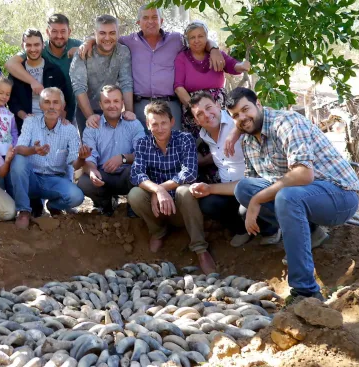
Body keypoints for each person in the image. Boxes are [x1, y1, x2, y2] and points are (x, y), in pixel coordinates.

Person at [226, 87, 359, 300]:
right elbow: (254, 184)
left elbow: (303, 175)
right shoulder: (248, 141)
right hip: (304, 198)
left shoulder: (286, 123)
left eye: (245, 110)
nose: (242, 118)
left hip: (339, 194)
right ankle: (311, 232)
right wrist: (249, 199)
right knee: (244, 189)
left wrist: (257, 200)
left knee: (285, 197)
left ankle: (306, 291)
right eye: (235, 116)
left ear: (258, 104)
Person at [80, 6, 226, 130]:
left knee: (172, 148)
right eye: (145, 18)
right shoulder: (128, 41)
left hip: (170, 105)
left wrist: (213, 48)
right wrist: (89, 42)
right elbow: (107, 39)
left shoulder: (176, 40)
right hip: (139, 106)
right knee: (141, 147)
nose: (150, 21)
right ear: (138, 22)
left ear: (161, 21)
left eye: (154, 17)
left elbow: (197, 39)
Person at [128, 101, 216, 274]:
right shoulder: (142, 144)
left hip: (182, 207)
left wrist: (161, 189)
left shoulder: (184, 139)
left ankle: (200, 248)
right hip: (158, 209)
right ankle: (158, 231)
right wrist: (157, 191)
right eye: (154, 124)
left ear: (172, 122)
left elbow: (189, 173)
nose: (160, 128)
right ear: (147, 125)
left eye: (163, 123)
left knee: (185, 190)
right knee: (135, 194)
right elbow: (136, 174)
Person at [187, 91, 281, 247]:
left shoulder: (237, 120)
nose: (207, 115)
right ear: (196, 121)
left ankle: (271, 229)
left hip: (252, 186)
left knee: (246, 205)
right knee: (208, 204)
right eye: (200, 114)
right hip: (228, 189)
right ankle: (241, 230)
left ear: (218, 105)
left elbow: (266, 112)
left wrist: (236, 131)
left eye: (209, 107)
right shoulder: (204, 135)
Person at [174, 20, 250, 184]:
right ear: (187, 40)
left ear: (207, 37)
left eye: (200, 36)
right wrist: (194, 108)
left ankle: (225, 179)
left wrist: (242, 65)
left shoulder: (216, 54)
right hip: (193, 110)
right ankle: (202, 183)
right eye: (192, 37)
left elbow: (232, 65)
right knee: (200, 146)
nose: (196, 40)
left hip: (217, 107)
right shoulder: (182, 57)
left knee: (222, 140)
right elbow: (178, 87)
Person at [11, 87, 90, 229]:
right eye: (47, 102)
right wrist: (33, 150)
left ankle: (53, 206)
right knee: (18, 161)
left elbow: (74, 164)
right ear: (41, 105)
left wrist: (82, 158)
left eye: (56, 102)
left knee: (77, 197)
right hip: (32, 179)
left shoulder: (69, 129)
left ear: (62, 106)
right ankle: (23, 211)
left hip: (54, 180)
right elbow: (19, 148)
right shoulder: (30, 122)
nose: (51, 106)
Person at [78, 85, 146, 216]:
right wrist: (92, 171)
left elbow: (143, 153)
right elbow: (90, 158)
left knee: (138, 170)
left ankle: (134, 207)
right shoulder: (92, 128)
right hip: (104, 176)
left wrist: (123, 158)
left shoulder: (134, 124)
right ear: (100, 105)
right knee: (84, 182)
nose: (112, 105)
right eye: (107, 102)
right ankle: (106, 205)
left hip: (128, 175)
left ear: (122, 103)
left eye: (116, 101)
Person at [5, 14, 82, 123]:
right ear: (47, 32)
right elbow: (10, 65)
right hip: (25, 123)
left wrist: (81, 49)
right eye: (54, 31)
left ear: (69, 32)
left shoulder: (55, 69)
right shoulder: (21, 68)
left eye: (63, 31)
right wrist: (33, 82)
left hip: (69, 112)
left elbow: (97, 47)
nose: (59, 35)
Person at [70, 14, 134, 135]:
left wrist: (129, 112)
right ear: (95, 34)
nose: (107, 37)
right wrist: (90, 116)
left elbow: (126, 82)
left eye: (112, 33)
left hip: (112, 110)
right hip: (86, 110)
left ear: (118, 33)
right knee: (90, 150)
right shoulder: (82, 53)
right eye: (102, 33)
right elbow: (79, 87)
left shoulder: (123, 52)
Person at [9, 28, 70, 128]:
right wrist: (25, 117)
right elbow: (12, 101)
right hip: (24, 125)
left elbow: (65, 98)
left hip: (51, 124)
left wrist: (60, 119)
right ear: (22, 46)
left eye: (36, 44)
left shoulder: (54, 70)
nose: (33, 49)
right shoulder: (17, 72)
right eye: (28, 45)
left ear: (43, 45)